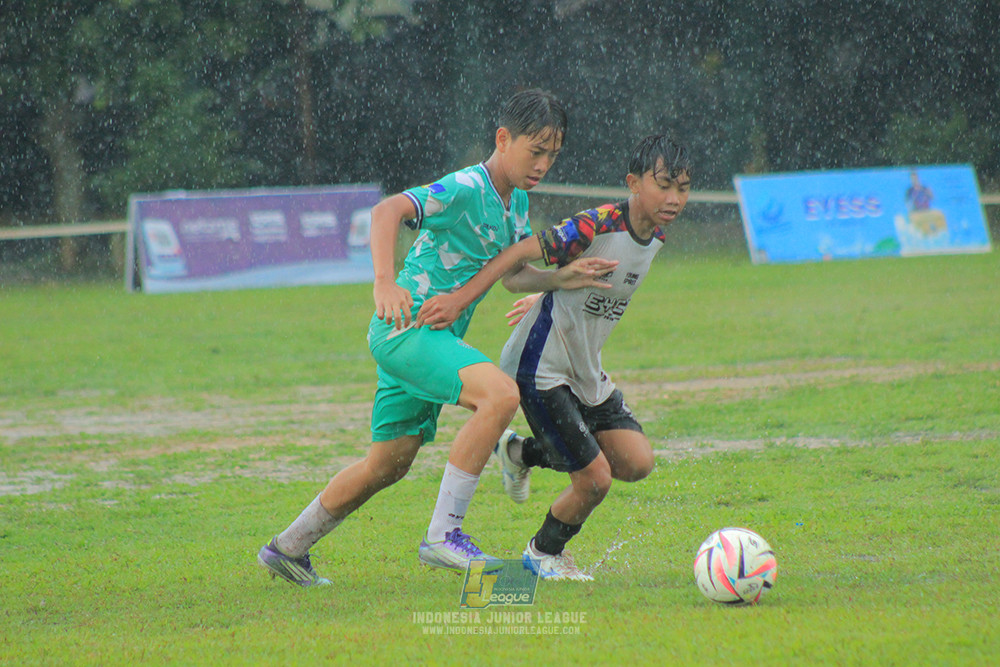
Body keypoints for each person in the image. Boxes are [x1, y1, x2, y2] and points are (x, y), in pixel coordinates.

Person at [257, 88, 616, 587]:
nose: (543, 164)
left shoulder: (515, 202)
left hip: (427, 338)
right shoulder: (468, 186)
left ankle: (288, 547)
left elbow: (512, 276)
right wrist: (384, 282)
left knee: (388, 464)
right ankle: (444, 535)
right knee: (500, 395)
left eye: (552, 155)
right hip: (406, 330)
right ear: (503, 138)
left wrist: (561, 277)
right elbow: (387, 212)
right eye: (535, 151)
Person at [418, 134, 691, 581]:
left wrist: (550, 295)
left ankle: (520, 451)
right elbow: (517, 257)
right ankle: (543, 554)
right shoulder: (595, 225)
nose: (674, 198)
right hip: (538, 367)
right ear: (633, 183)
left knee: (635, 462)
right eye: (663, 185)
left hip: (585, 368)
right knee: (595, 480)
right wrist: (539, 288)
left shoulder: (656, 234)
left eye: (682, 188)